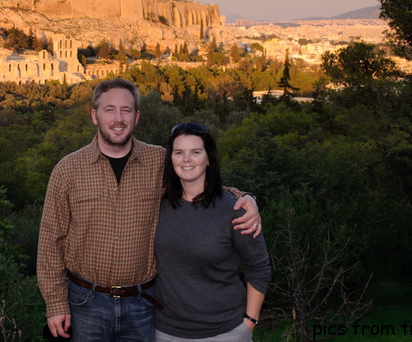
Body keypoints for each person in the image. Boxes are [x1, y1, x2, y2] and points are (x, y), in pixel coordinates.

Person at [37, 78, 261, 341]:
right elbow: (51, 241)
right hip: (86, 303)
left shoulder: (158, 162)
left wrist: (244, 197)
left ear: (137, 117)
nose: (118, 118)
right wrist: (55, 304)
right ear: (94, 116)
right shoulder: (68, 169)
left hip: (143, 304)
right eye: (109, 109)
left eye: (126, 110)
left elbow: (197, 177)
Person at [154, 123, 271, 342]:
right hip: (165, 331)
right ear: (171, 159)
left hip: (225, 331)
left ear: (208, 158)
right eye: (179, 152)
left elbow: (259, 267)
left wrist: (250, 322)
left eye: (195, 152)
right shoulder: (158, 205)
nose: (186, 159)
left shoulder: (235, 210)